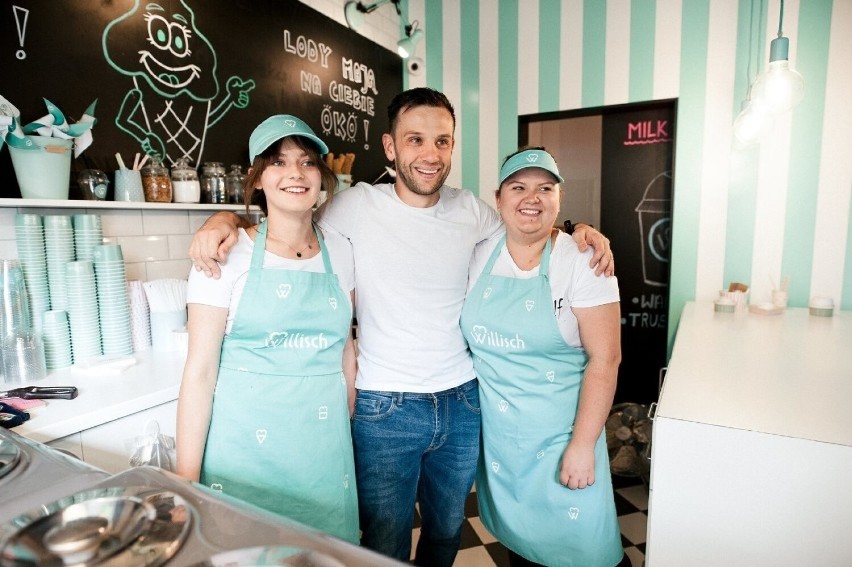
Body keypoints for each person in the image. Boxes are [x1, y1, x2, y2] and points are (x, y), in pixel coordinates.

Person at [188, 88, 615, 565]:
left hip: (462, 400)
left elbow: (530, 221)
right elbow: (286, 217)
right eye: (415, 139)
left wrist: (579, 229)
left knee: (447, 532)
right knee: (383, 543)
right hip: (381, 407)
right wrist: (222, 216)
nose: (430, 154)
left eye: (442, 141)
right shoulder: (351, 206)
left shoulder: (471, 210)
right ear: (391, 148)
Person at [176, 114, 359, 544]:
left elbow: (345, 352)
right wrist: (184, 479)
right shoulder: (225, 254)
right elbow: (199, 372)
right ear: (258, 178)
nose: (296, 172)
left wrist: (343, 426)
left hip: (323, 451)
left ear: (321, 178)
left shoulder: (342, 251)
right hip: (245, 455)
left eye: (308, 162)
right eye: (278, 162)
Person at [461, 147, 625, 567]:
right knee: (522, 551)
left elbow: (605, 361)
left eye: (544, 188)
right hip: (502, 446)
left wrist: (583, 445)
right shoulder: (477, 251)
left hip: (564, 439)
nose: (531, 198)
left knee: (583, 551)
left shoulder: (583, 261)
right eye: (518, 187)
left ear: (559, 198)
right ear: (498, 199)